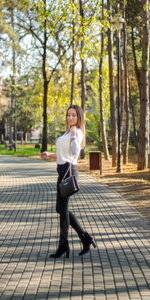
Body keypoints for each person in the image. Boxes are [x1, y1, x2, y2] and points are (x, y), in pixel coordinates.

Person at [40, 105, 97, 259]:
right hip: (62, 170)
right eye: (68, 115)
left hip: (68, 171)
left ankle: (63, 244)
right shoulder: (68, 131)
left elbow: (73, 152)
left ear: (79, 117)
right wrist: (49, 154)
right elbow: (63, 154)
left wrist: (73, 135)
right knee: (61, 209)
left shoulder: (76, 132)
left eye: (74, 115)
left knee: (62, 210)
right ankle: (85, 238)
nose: (70, 118)